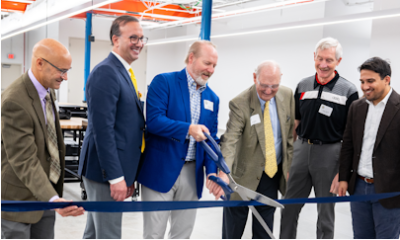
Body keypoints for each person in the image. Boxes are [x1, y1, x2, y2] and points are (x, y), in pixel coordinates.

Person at [137, 40, 224, 240]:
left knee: (182, 234)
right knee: (153, 234)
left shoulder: (213, 98)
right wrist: (188, 129)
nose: (210, 70)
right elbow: (154, 121)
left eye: (214, 66)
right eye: (207, 63)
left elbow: (211, 139)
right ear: (191, 58)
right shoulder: (164, 82)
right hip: (160, 169)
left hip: (192, 174)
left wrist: (211, 172)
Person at [0, 38, 84, 240]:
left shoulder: (47, 91)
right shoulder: (14, 101)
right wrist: (53, 198)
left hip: (45, 193)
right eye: (60, 70)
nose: (64, 77)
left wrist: (51, 195)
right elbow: (23, 160)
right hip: (18, 201)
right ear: (40, 63)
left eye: (67, 70)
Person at [280, 37, 359, 240]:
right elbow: (295, 124)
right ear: (314, 57)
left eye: (329, 60)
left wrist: (342, 171)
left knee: (325, 213)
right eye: (320, 58)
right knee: (289, 208)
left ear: (338, 62)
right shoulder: (303, 85)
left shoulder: (349, 91)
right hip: (301, 150)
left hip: (330, 154)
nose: (323, 64)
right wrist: (290, 159)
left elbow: (352, 136)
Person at [78, 15, 146, 240]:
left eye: (141, 38)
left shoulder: (123, 72)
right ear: (116, 40)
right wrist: (116, 177)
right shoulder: (106, 72)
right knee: (109, 234)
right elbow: (103, 130)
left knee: (95, 232)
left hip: (112, 170)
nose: (138, 43)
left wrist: (127, 174)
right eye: (133, 37)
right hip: (104, 172)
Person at [219, 60, 294, 240]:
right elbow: (230, 140)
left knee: (264, 230)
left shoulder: (286, 95)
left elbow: (289, 137)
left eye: (274, 86)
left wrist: (290, 167)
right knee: (233, 230)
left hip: (271, 175)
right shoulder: (240, 103)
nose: (268, 91)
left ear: (280, 80)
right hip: (241, 177)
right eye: (264, 85)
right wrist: (224, 171)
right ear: (255, 78)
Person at [338, 57, 400, 239]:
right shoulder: (356, 107)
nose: (365, 86)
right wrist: (343, 178)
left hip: (390, 190)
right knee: (361, 236)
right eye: (362, 81)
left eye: (370, 81)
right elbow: (347, 145)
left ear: (386, 79)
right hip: (358, 186)